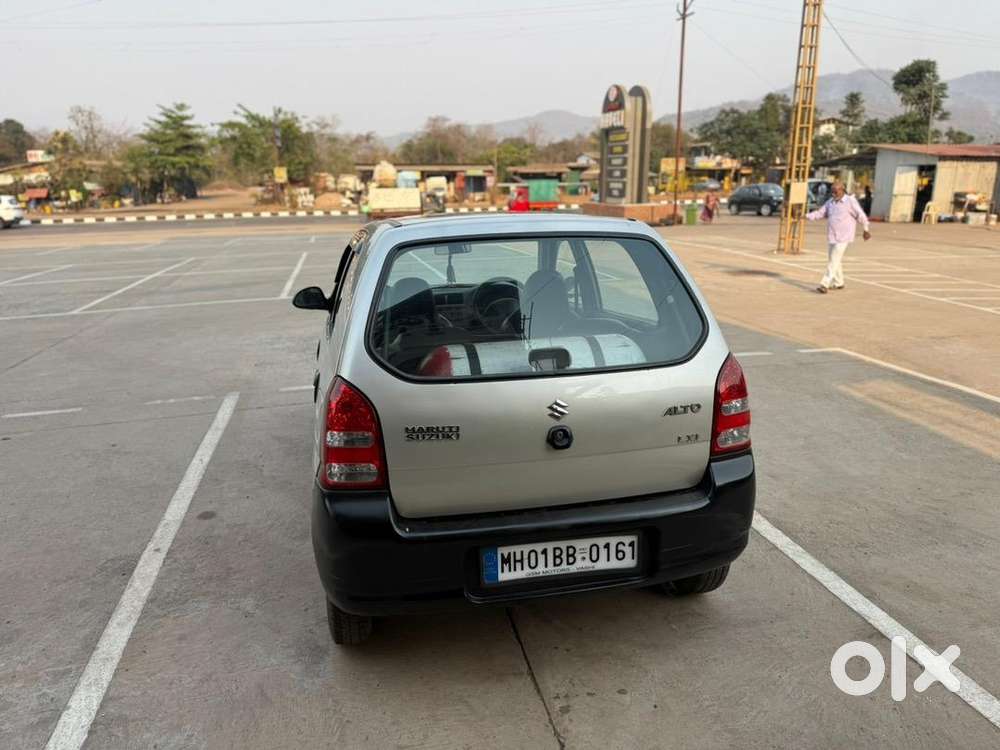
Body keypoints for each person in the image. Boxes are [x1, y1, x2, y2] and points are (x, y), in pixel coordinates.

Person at [807, 180, 871, 294]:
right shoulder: (830, 202)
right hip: (832, 235)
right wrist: (806, 216)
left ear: (842, 190)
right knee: (834, 260)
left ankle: (824, 283)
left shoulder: (850, 201)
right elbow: (820, 213)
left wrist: (866, 229)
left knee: (833, 260)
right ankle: (839, 282)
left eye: (835, 191)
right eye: (832, 191)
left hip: (844, 236)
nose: (833, 194)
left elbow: (861, 215)